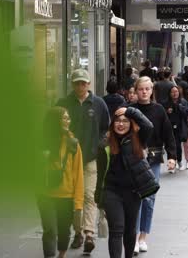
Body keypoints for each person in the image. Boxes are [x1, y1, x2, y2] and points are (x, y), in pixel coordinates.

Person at [56, 69, 110, 253]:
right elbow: (53, 128)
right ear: (72, 84)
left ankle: (89, 234)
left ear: (89, 84)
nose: (80, 86)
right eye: (77, 83)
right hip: (67, 160)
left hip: (90, 159)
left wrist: (99, 145)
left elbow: (105, 128)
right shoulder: (63, 104)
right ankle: (77, 232)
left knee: (89, 196)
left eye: (83, 83)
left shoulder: (99, 104)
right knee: (72, 198)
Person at [95, 106, 158, 258]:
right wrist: (98, 195)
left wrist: (128, 110)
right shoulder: (105, 144)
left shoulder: (138, 138)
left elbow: (148, 125)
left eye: (125, 121)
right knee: (116, 229)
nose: (121, 124)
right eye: (118, 121)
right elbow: (101, 172)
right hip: (112, 192)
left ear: (131, 124)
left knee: (130, 231)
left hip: (133, 192)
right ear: (112, 123)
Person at [130, 76, 177, 253]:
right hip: (134, 159)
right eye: (141, 89)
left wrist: (172, 156)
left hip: (154, 158)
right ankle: (133, 237)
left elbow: (168, 135)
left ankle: (143, 236)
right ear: (135, 91)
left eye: (147, 89)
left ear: (152, 91)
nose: (144, 92)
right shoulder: (130, 110)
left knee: (149, 199)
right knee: (135, 198)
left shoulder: (159, 110)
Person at [39, 107, 84, 258]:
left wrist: (78, 202)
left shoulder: (73, 143)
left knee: (64, 230)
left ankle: (62, 255)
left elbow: (78, 174)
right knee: (49, 229)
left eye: (68, 118)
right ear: (54, 121)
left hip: (66, 195)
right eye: (64, 118)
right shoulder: (42, 142)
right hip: (45, 194)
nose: (67, 121)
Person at [163, 86, 188, 173]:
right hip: (169, 127)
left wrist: (180, 107)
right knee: (169, 147)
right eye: (172, 92)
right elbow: (161, 114)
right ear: (169, 93)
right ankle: (171, 165)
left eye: (176, 91)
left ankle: (179, 162)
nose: (175, 93)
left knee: (178, 146)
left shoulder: (183, 102)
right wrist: (167, 111)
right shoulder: (166, 103)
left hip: (180, 127)